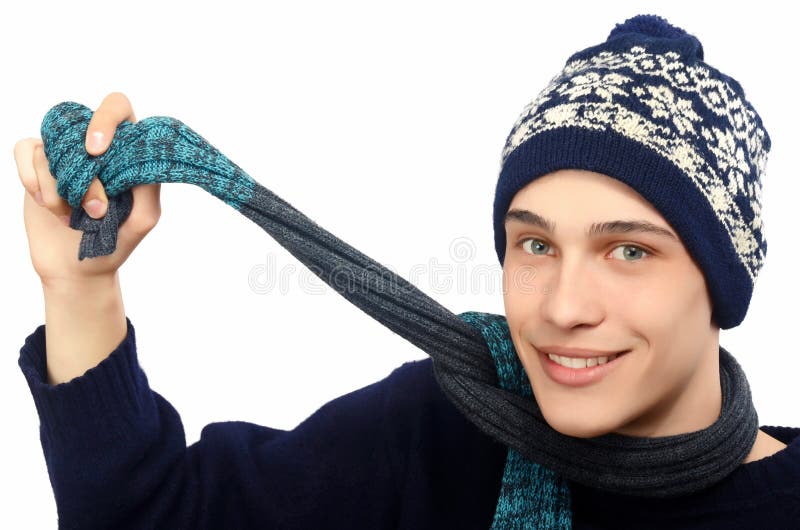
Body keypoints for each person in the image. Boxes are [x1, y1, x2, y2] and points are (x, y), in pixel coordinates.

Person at [15, 14, 800, 530]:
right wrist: (79, 289)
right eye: (534, 245)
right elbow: (151, 518)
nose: (563, 306)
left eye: (629, 251)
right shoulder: (440, 430)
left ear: (722, 280)